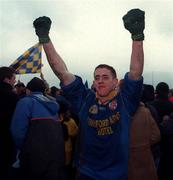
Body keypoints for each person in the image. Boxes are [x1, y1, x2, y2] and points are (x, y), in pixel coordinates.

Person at [33, 8, 145, 179]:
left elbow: (135, 71)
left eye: (105, 77)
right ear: (92, 82)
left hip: (115, 175)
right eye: (97, 77)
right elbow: (61, 72)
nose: (100, 80)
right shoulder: (85, 99)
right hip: (85, 173)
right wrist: (45, 39)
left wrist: (137, 37)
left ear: (115, 82)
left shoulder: (125, 101)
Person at [10, 77, 65, 180]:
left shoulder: (25, 102)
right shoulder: (53, 105)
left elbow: (17, 132)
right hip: (54, 157)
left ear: (28, 90)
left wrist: (25, 150)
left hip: (33, 158)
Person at [128, 102, 160, 180]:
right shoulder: (145, 112)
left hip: (126, 161)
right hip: (145, 158)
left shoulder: (116, 112)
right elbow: (156, 136)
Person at [0, 66, 19, 179]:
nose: (15, 81)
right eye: (13, 78)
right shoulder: (12, 97)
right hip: (6, 140)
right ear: (6, 79)